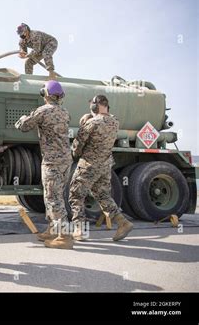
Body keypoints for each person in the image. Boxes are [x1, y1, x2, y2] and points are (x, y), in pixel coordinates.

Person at [15, 80, 74, 249]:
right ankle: (52, 230)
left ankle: (65, 236)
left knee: (52, 198)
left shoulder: (43, 111)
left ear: (45, 94)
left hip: (52, 161)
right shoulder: (65, 112)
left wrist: (22, 118)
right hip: (65, 160)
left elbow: (24, 126)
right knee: (55, 195)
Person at [69, 95, 134, 241]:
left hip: (89, 165)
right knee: (103, 195)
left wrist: (84, 124)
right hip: (105, 165)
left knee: (76, 194)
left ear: (95, 106)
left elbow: (77, 147)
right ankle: (123, 222)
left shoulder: (91, 123)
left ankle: (79, 229)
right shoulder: (114, 121)